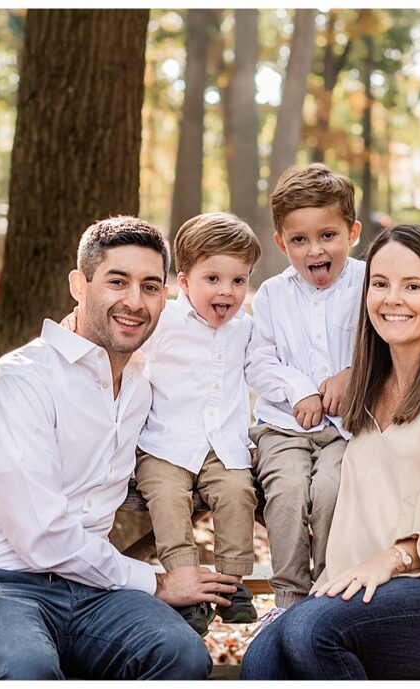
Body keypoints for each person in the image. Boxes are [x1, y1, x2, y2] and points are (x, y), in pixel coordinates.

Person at [0, 216, 238, 680]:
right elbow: (39, 535)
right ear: (79, 285)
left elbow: (203, 419)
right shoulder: (21, 380)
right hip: (2, 586)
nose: (134, 302)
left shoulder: (142, 384)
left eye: (150, 287)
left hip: (97, 594)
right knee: (27, 672)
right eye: (117, 282)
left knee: (180, 654)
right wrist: (157, 582)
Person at [241, 224, 420, 680]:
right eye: (381, 284)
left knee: (311, 632)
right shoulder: (363, 391)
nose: (393, 299)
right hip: (371, 593)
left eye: (413, 286)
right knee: (264, 658)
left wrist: (394, 557)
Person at [133, 212, 262, 636]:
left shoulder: (248, 328)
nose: (227, 291)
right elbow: (121, 350)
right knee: (167, 497)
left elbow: (265, 373)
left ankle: (231, 583)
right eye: (213, 279)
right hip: (164, 442)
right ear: (184, 282)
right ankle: (187, 585)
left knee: (238, 492)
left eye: (238, 281)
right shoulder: (162, 321)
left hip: (223, 445)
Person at [245, 163, 364, 616]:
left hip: (347, 429)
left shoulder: (369, 282)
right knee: (288, 491)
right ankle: (290, 597)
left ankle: (330, 591)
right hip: (283, 426)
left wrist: (353, 374)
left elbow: (385, 345)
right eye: (299, 240)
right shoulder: (274, 295)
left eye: (328, 235)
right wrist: (299, 390)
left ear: (351, 232)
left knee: (335, 489)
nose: (315, 250)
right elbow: (258, 361)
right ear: (281, 242)